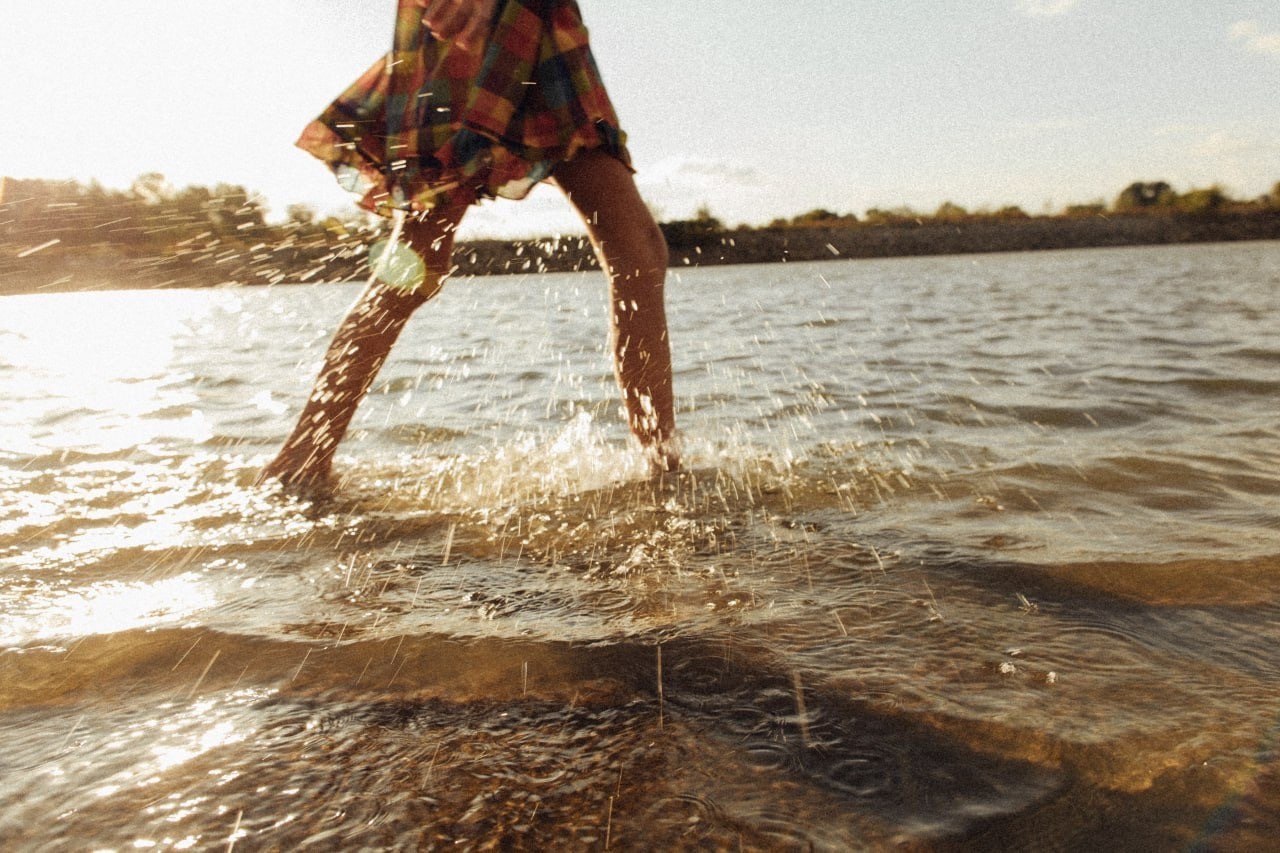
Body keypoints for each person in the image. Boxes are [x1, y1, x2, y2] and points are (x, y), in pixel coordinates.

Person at [259, 0, 677, 491]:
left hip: (543, 22)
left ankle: (663, 469)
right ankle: (301, 461)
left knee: (640, 252)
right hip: (487, 22)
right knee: (417, 261)